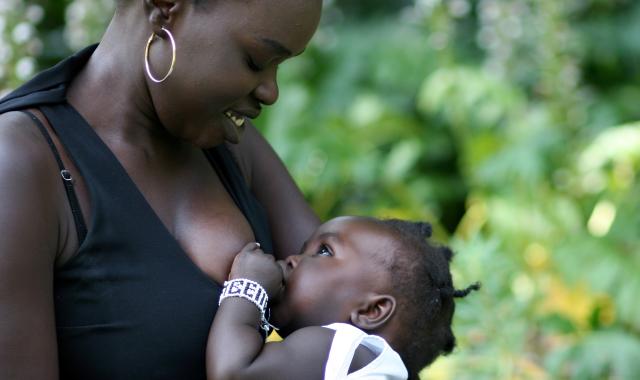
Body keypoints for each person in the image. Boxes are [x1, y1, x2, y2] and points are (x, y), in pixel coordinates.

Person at [0, 0, 323, 378]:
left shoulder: (231, 145)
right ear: (166, 7)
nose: (271, 92)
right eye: (256, 60)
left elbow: (367, 310)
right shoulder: (22, 165)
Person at [207, 216, 480, 380]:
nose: (292, 259)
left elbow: (233, 373)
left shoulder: (346, 347)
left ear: (372, 310)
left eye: (324, 252)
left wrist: (248, 285)